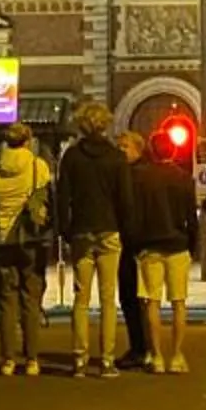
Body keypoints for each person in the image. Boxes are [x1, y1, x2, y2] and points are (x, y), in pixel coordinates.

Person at [57, 101, 131, 376]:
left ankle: (79, 359)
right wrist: (124, 228)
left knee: (81, 297)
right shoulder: (116, 157)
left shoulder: (72, 157)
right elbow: (125, 199)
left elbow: (62, 196)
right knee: (108, 298)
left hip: (81, 231)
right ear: (105, 124)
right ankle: (107, 359)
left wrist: (66, 229)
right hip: (109, 230)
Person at [0, 123, 53, 377]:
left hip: (2, 240)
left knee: (6, 302)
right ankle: (32, 359)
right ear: (27, 141)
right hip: (30, 240)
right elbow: (46, 200)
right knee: (31, 300)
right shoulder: (38, 166)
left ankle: (7, 360)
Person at [129, 129, 204, 374]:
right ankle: (177, 355)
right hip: (177, 245)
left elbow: (135, 216)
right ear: (173, 150)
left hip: (149, 246)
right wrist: (193, 246)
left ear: (151, 150)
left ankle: (156, 356)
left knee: (152, 302)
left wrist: (135, 244)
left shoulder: (139, 178)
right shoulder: (183, 178)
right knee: (178, 303)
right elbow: (190, 218)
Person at [112, 130, 153, 370]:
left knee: (137, 298)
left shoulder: (136, 176)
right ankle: (142, 347)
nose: (120, 150)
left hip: (136, 243)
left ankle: (142, 348)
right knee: (132, 298)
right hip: (131, 243)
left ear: (138, 149)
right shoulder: (126, 173)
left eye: (124, 147)